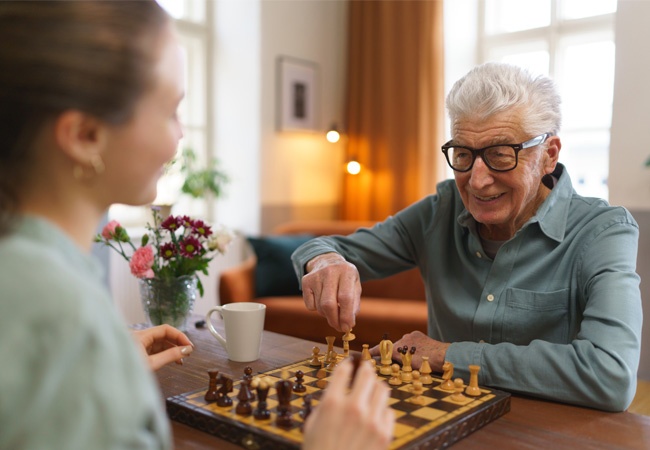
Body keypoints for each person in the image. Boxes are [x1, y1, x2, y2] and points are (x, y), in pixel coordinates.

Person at [0, 2, 393, 449]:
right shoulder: (61, 312)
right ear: (85, 134)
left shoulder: (34, 281)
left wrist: (103, 366)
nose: (181, 134)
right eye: (171, 110)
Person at [292, 62, 642, 412]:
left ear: (548, 155)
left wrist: (447, 355)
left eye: (500, 156)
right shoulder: (438, 211)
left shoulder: (603, 232)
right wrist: (327, 261)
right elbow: (323, 247)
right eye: (462, 154)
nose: (476, 181)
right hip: (439, 421)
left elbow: (610, 374)